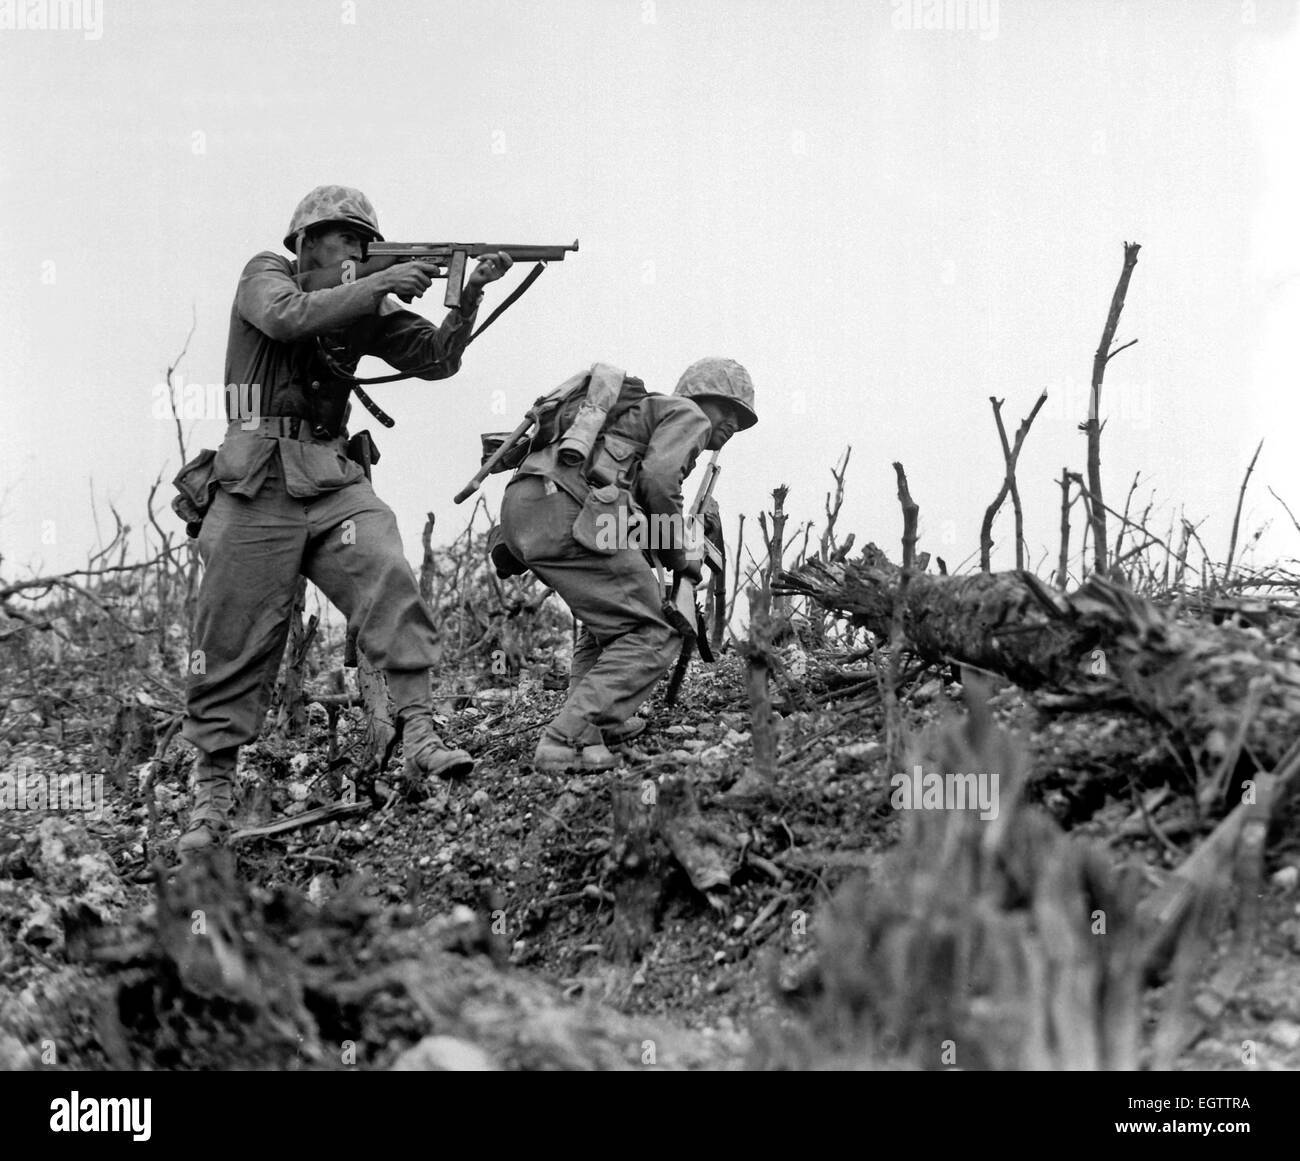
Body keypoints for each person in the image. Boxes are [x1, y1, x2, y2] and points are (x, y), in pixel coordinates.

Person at [176, 185, 513, 859]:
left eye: (368, 239)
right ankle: (212, 796)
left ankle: (418, 731)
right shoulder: (266, 273)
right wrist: (381, 282)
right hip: (255, 481)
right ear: (306, 242)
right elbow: (285, 316)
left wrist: (468, 291)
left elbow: (435, 358)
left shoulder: (364, 303)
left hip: (329, 477)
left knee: (385, 567)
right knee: (231, 632)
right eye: (345, 238)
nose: (359, 249)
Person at [496, 357, 757, 772]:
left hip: (526, 508)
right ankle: (568, 738)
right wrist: (681, 556)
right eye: (728, 410)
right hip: (568, 508)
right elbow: (659, 482)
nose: (731, 426)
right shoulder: (687, 414)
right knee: (656, 628)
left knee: (611, 625)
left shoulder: (640, 420)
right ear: (700, 397)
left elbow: (633, 506)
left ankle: (596, 725)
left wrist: (665, 547)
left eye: (741, 421)